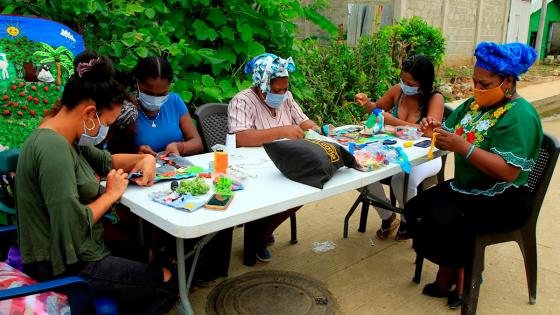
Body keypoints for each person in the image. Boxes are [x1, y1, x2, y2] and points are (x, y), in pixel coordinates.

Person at [15, 52, 178, 314]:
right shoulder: (53, 148)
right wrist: (111, 194)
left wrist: (144, 159)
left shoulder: (63, 135)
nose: (105, 129)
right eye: (107, 123)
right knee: (169, 281)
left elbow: (107, 160)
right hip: (63, 262)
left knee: (152, 253)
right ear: (90, 112)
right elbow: (71, 223)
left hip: (78, 248)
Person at [405, 42, 541, 309]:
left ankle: (464, 279)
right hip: (467, 188)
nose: (477, 89)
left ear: (509, 81)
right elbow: (447, 132)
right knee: (416, 209)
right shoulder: (474, 105)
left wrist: (463, 148)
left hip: (505, 198)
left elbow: (508, 171)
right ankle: (451, 274)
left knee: (450, 220)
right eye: (475, 82)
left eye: (485, 84)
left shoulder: (520, 115)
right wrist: (432, 128)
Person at [228, 53, 320, 263]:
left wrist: (318, 130)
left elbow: (303, 121)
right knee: (284, 190)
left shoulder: (286, 98)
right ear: (261, 85)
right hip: (254, 169)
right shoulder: (242, 101)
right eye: (275, 90)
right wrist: (281, 132)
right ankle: (259, 237)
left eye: (285, 89)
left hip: (285, 161)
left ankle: (263, 233)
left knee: (307, 187)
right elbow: (240, 138)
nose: (281, 94)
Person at [354, 55, 445, 240]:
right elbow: (377, 111)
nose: (404, 85)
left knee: (401, 178)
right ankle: (387, 215)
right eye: (402, 80)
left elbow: (431, 133)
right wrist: (367, 104)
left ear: (423, 83)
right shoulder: (398, 91)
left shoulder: (435, 99)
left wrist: (394, 122)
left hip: (426, 157)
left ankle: (408, 220)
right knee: (358, 169)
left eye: (409, 82)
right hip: (395, 151)